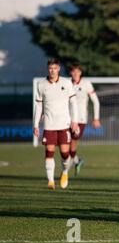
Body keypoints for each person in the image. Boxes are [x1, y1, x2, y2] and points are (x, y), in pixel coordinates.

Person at [33, 58, 79, 190]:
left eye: (55, 68)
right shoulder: (41, 84)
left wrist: (74, 121)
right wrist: (36, 124)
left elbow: (73, 103)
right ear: (48, 69)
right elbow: (38, 106)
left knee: (65, 154)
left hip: (64, 124)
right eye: (50, 68)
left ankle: (65, 172)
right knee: (49, 151)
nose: (52, 71)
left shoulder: (66, 83)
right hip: (49, 125)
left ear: (58, 69)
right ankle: (51, 181)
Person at [69, 62, 101, 176]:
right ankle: (77, 161)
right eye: (73, 71)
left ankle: (66, 171)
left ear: (80, 72)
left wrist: (96, 118)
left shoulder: (86, 84)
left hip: (81, 119)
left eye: (77, 71)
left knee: (72, 144)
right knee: (63, 144)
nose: (75, 73)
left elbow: (96, 101)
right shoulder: (67, 84)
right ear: (70, 73)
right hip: (67, 119)